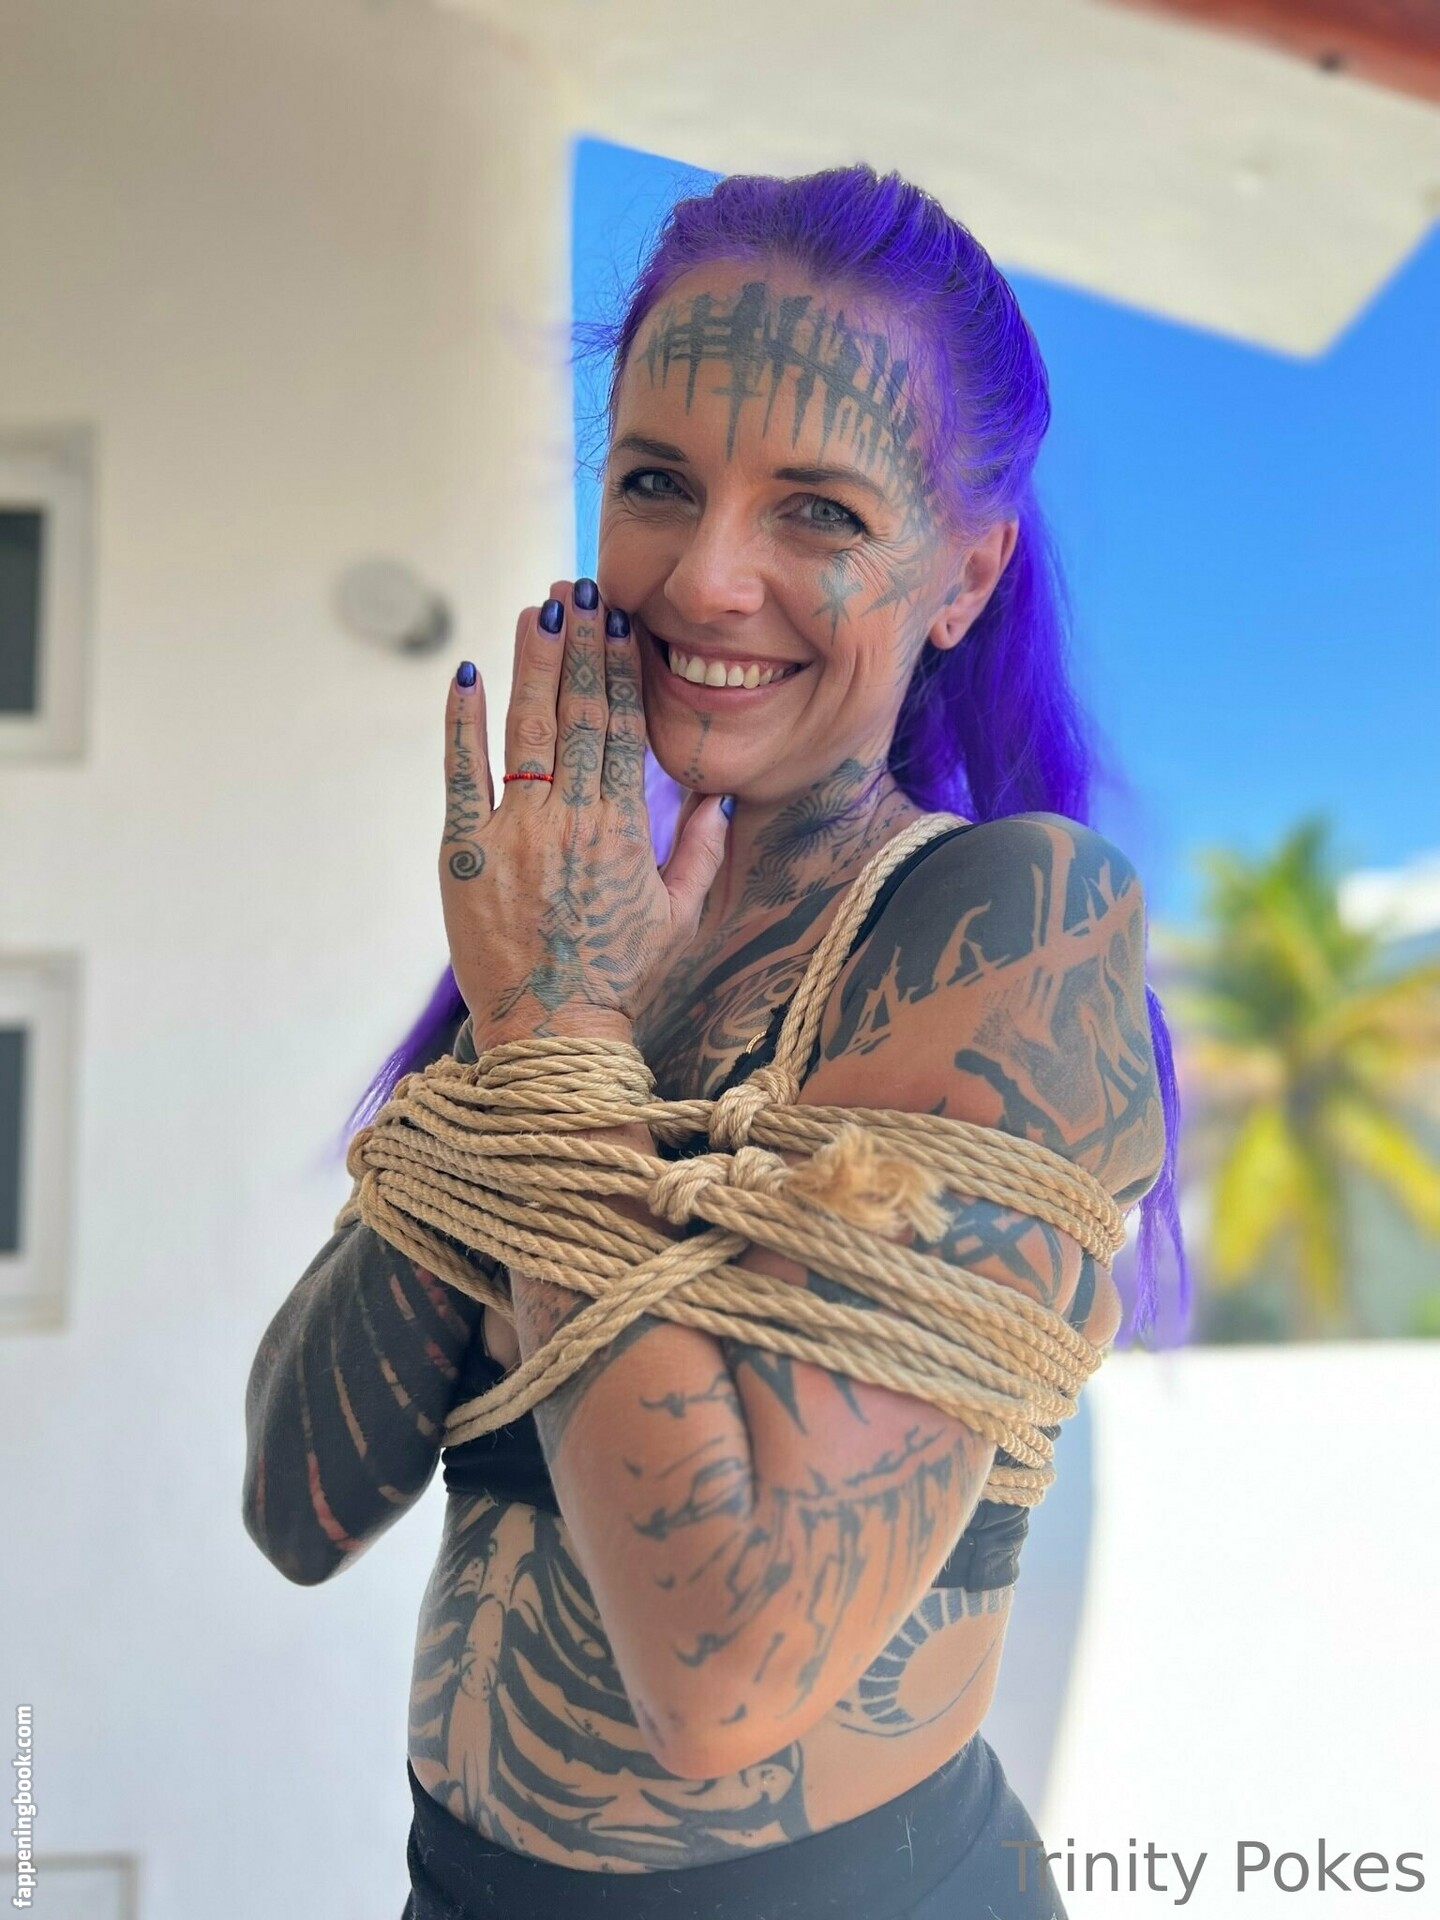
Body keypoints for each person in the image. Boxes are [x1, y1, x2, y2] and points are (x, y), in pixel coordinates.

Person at [242, 163, 1185, 1918]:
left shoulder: (1012, 927)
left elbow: (733, 1673)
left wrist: (555, 1039)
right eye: (657, 482)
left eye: (817, 510)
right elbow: (299, 1502)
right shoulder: (580, 947)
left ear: (965, 572)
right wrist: (541, 1027)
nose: (708, 576)